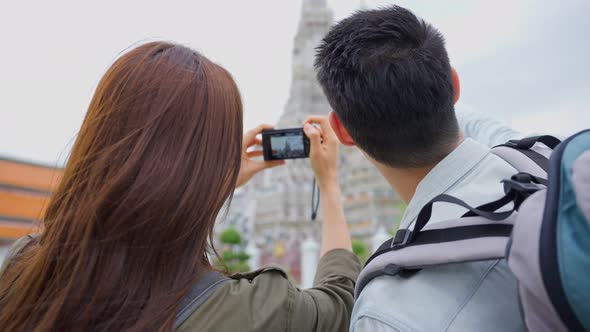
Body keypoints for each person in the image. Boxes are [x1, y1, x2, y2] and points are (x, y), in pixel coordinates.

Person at [0, 41, 360, 331]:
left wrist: (212, 180)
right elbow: (341, 300)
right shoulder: (249, 310)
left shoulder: (25, 266)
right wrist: (328, 184)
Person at [314, 6, 526, 332]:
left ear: (342, 132)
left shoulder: (385, 314)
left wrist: (327, 181)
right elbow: (483, 125)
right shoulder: (545, 159)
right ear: (454, 86)